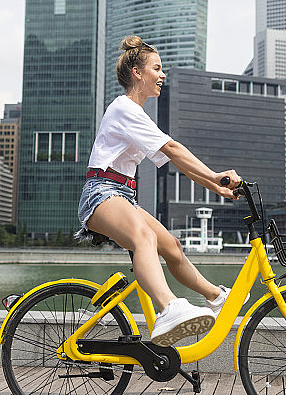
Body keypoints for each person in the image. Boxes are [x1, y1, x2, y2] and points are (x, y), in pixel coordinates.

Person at [77, 36, 241, 347]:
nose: (162, 74)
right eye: (157, 68)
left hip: (122, 196)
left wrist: (215, 186)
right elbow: (173, 148)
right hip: (101, 194)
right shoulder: (124, 108)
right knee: (146, 238)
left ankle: (216, 298)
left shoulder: (137, 114)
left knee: (173, 247)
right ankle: (168, 308)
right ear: (137, 73)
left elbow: (176, 160)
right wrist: (215, 177)